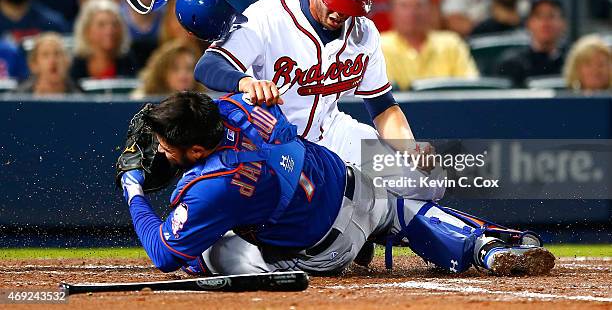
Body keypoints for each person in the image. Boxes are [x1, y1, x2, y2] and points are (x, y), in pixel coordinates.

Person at [115, 91, 555, 276]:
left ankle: (261, 272)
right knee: (401, 209)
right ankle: (484, 246)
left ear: (196, 150)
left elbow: (163, 255)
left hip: (326, 249)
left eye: (166, 146)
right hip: (350, 182)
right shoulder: (231, 106)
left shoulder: (214, 184)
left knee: (207, 251)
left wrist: (133, 187)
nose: (159, 151)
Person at [193, 0, 425, 171]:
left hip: (331, 133)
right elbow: (208, 65)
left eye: (349, 7)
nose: (338, 14)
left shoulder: (364, 32)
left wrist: (410, 149)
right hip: (273, 143)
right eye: (333, 2)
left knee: (427, 179)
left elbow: (382, 105)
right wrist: (245, 82)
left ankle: (392, 208)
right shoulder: (267, 17)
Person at [381, 0, 479, 91]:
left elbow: (470, 87)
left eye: (419, 5)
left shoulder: (451, 43)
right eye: (404, 6)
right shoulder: (378, 46)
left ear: (429, 9)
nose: (412, 12)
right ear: (391, 12)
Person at [495, 0, 566, 87]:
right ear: (529, 23)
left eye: (551, 16)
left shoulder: (573, 63)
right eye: (539, 16)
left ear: (563, 23)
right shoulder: (511, 64)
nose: (545, 22)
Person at [70, 0, 135, 81]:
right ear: (86, 30)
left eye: (114, 24)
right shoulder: (76, 66)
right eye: (101, 25)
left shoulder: (128, 61)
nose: (110, 31)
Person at [132, 40, 204, 98]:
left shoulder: (208, 103)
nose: (183, 75)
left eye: (189, 68)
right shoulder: (141, 100)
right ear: (161, 72)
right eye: (175, 68)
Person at [15, 31, 80, 94]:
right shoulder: (18, 98)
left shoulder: (80, 99)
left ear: (67, 61)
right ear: (34, 64)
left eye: (57, 53)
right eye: (45, 55)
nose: (53, 60)